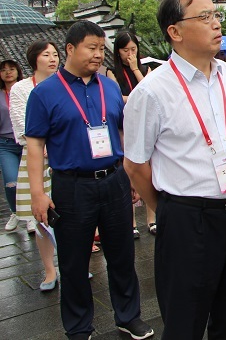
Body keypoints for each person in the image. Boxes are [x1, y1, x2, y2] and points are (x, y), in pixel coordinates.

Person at [123, 0, 226, 339]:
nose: (216, 23)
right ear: (175, 32)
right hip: (187, 220)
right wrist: (166, 209)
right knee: (185, 323)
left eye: (216, 14)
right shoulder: (151, 92)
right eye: (205, 16)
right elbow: (134, 165)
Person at [26, 20, 153, 340]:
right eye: (91, 48)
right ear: (70, 49)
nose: (99, 55)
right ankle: (79, 327)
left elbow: (122, 131)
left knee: (123, 254)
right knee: (73, 260)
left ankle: (128, 316)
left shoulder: (109, 86)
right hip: (72, 185)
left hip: (113, 180)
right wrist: (38, 194)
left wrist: (131, 176)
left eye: (101, 48)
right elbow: (35, 145)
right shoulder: (45, 93)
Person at [9, 42, 60, 291]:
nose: (52, 59)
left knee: (73, 214)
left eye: (55, 54)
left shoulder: (66, 83)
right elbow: (21, 125)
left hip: (65, 158)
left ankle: (77, 265)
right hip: (36, 159)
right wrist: (44, 146)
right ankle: (49, 270)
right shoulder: (21, 88)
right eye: (45, 55)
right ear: (34, 59)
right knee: (42, 219)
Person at [106, 30, 157, 238]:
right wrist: (137, 96)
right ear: (118, 52)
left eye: (133, 49)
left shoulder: (147, 69)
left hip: (147, 125)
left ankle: (152, 219)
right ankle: (131, 221)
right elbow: (118, 99)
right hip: (125, 127)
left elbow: (151, 91)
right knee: (130, 173)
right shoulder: (112, 72)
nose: (130, 54)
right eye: (125, 50)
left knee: (152, 170)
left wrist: (137, 70)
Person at [0, 59, 23, 232]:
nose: (8, 72)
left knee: (30, 179)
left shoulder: (24, 89)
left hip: (25, 141)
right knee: (11, 181)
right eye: (4, 70)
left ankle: (30, 216)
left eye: (12, 69)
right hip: (5, 143)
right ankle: (15, 212)